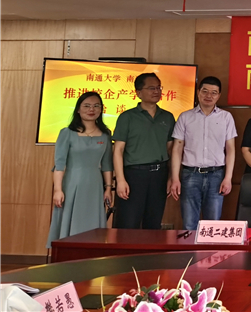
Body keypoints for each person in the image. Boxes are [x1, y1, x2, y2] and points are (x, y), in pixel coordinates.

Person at [168, 76, 237, 230]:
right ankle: (189, 248)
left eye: (214, 92)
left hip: (216, 175)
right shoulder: (185, 117)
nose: (209, 95)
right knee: (188, 224)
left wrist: (228, 178)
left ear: (219, 95)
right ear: (198, 92)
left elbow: (230, 149)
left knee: (212, 226)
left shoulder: (226, 117)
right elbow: (177, 148)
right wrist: (175, 178)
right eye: (205, 91)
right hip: (190, 175)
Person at [47, 92, 114, 248]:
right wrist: (58, 190)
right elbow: (60, 164)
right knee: (70, 222)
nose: (92, 109)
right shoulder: (67, 133)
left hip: (95, 185)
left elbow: (106, 165)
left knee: (93, 224)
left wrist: (108, 188)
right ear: (78, 109)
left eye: (96, 106)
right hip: (72, 184)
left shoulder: (105, 135)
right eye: (87, 106)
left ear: (101, 109)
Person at [113, 73, 176, 229]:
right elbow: (118, 151)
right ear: (138, 92)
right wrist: (120, 180)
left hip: (159, 175)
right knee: (128, 223)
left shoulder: (167, 117)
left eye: (159, 88)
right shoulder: (127, 117)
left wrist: (171, 177)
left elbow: (170, 150)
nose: (156, 91)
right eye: (151, 88)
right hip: (134, 175)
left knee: (153, 223)